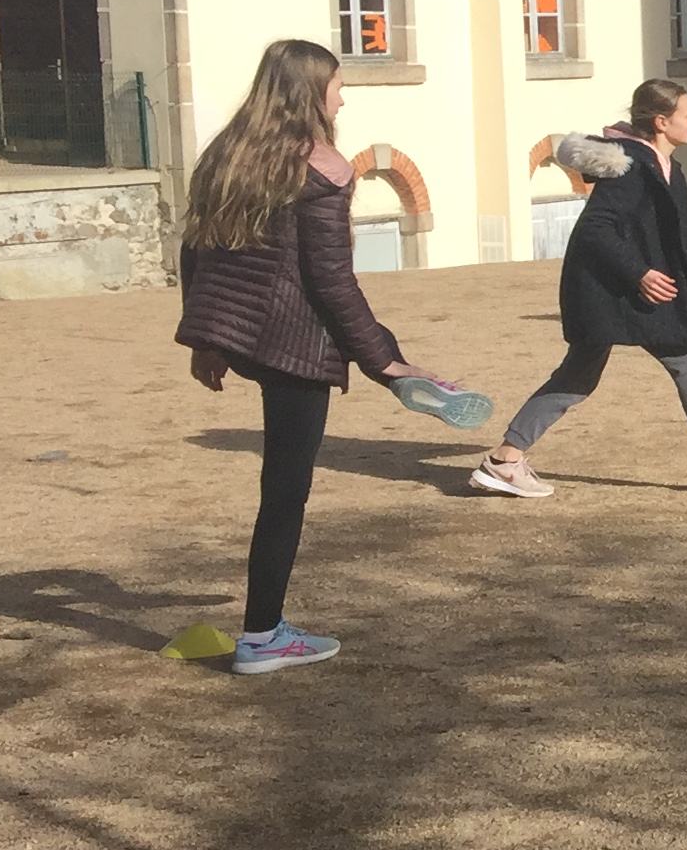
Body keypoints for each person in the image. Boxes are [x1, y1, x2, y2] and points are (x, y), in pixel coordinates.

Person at [175, 40, 482, 673]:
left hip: (244, 339)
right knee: (286, 491)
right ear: (311, 92)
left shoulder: (226, 155)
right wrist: (385, 364)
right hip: (293, 343)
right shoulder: (323, 168)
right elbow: (332, 284)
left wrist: (207, 337)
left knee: (278, 487)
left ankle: (266, 628)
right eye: (338, 84)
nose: (344, 96)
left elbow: (195, 247)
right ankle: (262, 637)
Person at [471, 79, 687, 497]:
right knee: (682, 358)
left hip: (622, 286)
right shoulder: (633, 167)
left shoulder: (664, 165)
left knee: (585, 374)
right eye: (686, 115)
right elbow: (595, 231)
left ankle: (505, 460)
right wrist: (639, 273)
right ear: (660, 121)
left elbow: (661, 230)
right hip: (609, 289)